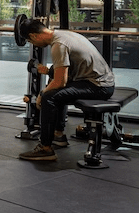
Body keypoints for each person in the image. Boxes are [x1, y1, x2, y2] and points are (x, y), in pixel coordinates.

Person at [17, 17, 115, 162]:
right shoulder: (65, 35)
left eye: (31, 42)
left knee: (48, 97)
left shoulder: (58, 45)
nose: (34, 44)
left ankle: (45, 149)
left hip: (99, 87)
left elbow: (60, 82)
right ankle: (58, 135)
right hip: (102, 83)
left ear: (33, 36)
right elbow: (65, 76)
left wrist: (41, 95)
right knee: (55, 92)